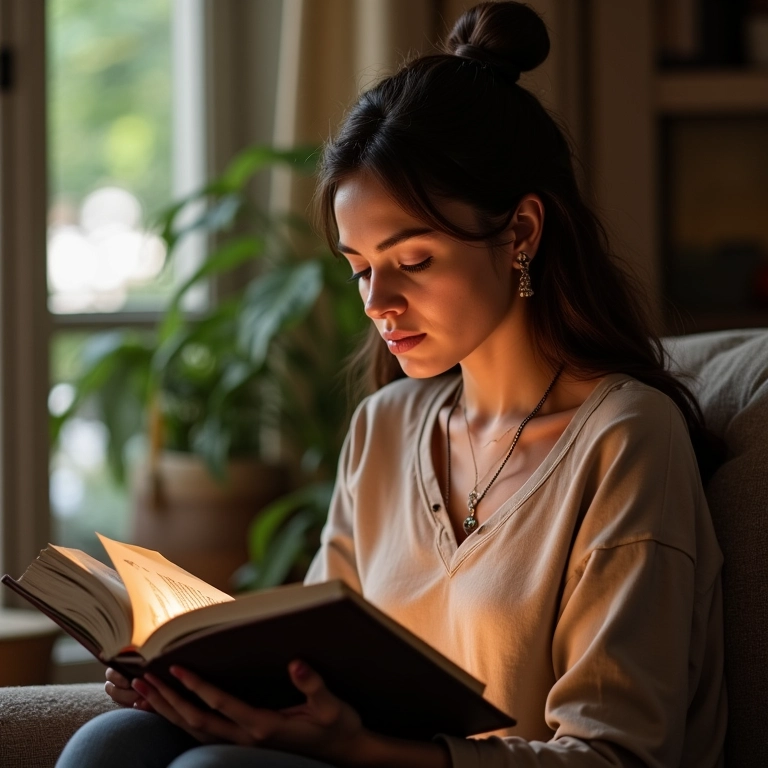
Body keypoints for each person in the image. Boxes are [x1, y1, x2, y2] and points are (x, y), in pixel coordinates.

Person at [57, 2, 727, 767]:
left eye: (413, 261)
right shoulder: (386, 426)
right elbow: (309, 666)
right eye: (360, 268)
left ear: (522, 233)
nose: (378, 303)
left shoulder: (626, 439)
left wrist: (364, 748)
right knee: (115, 741)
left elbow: (618, 756)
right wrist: (192, 680)